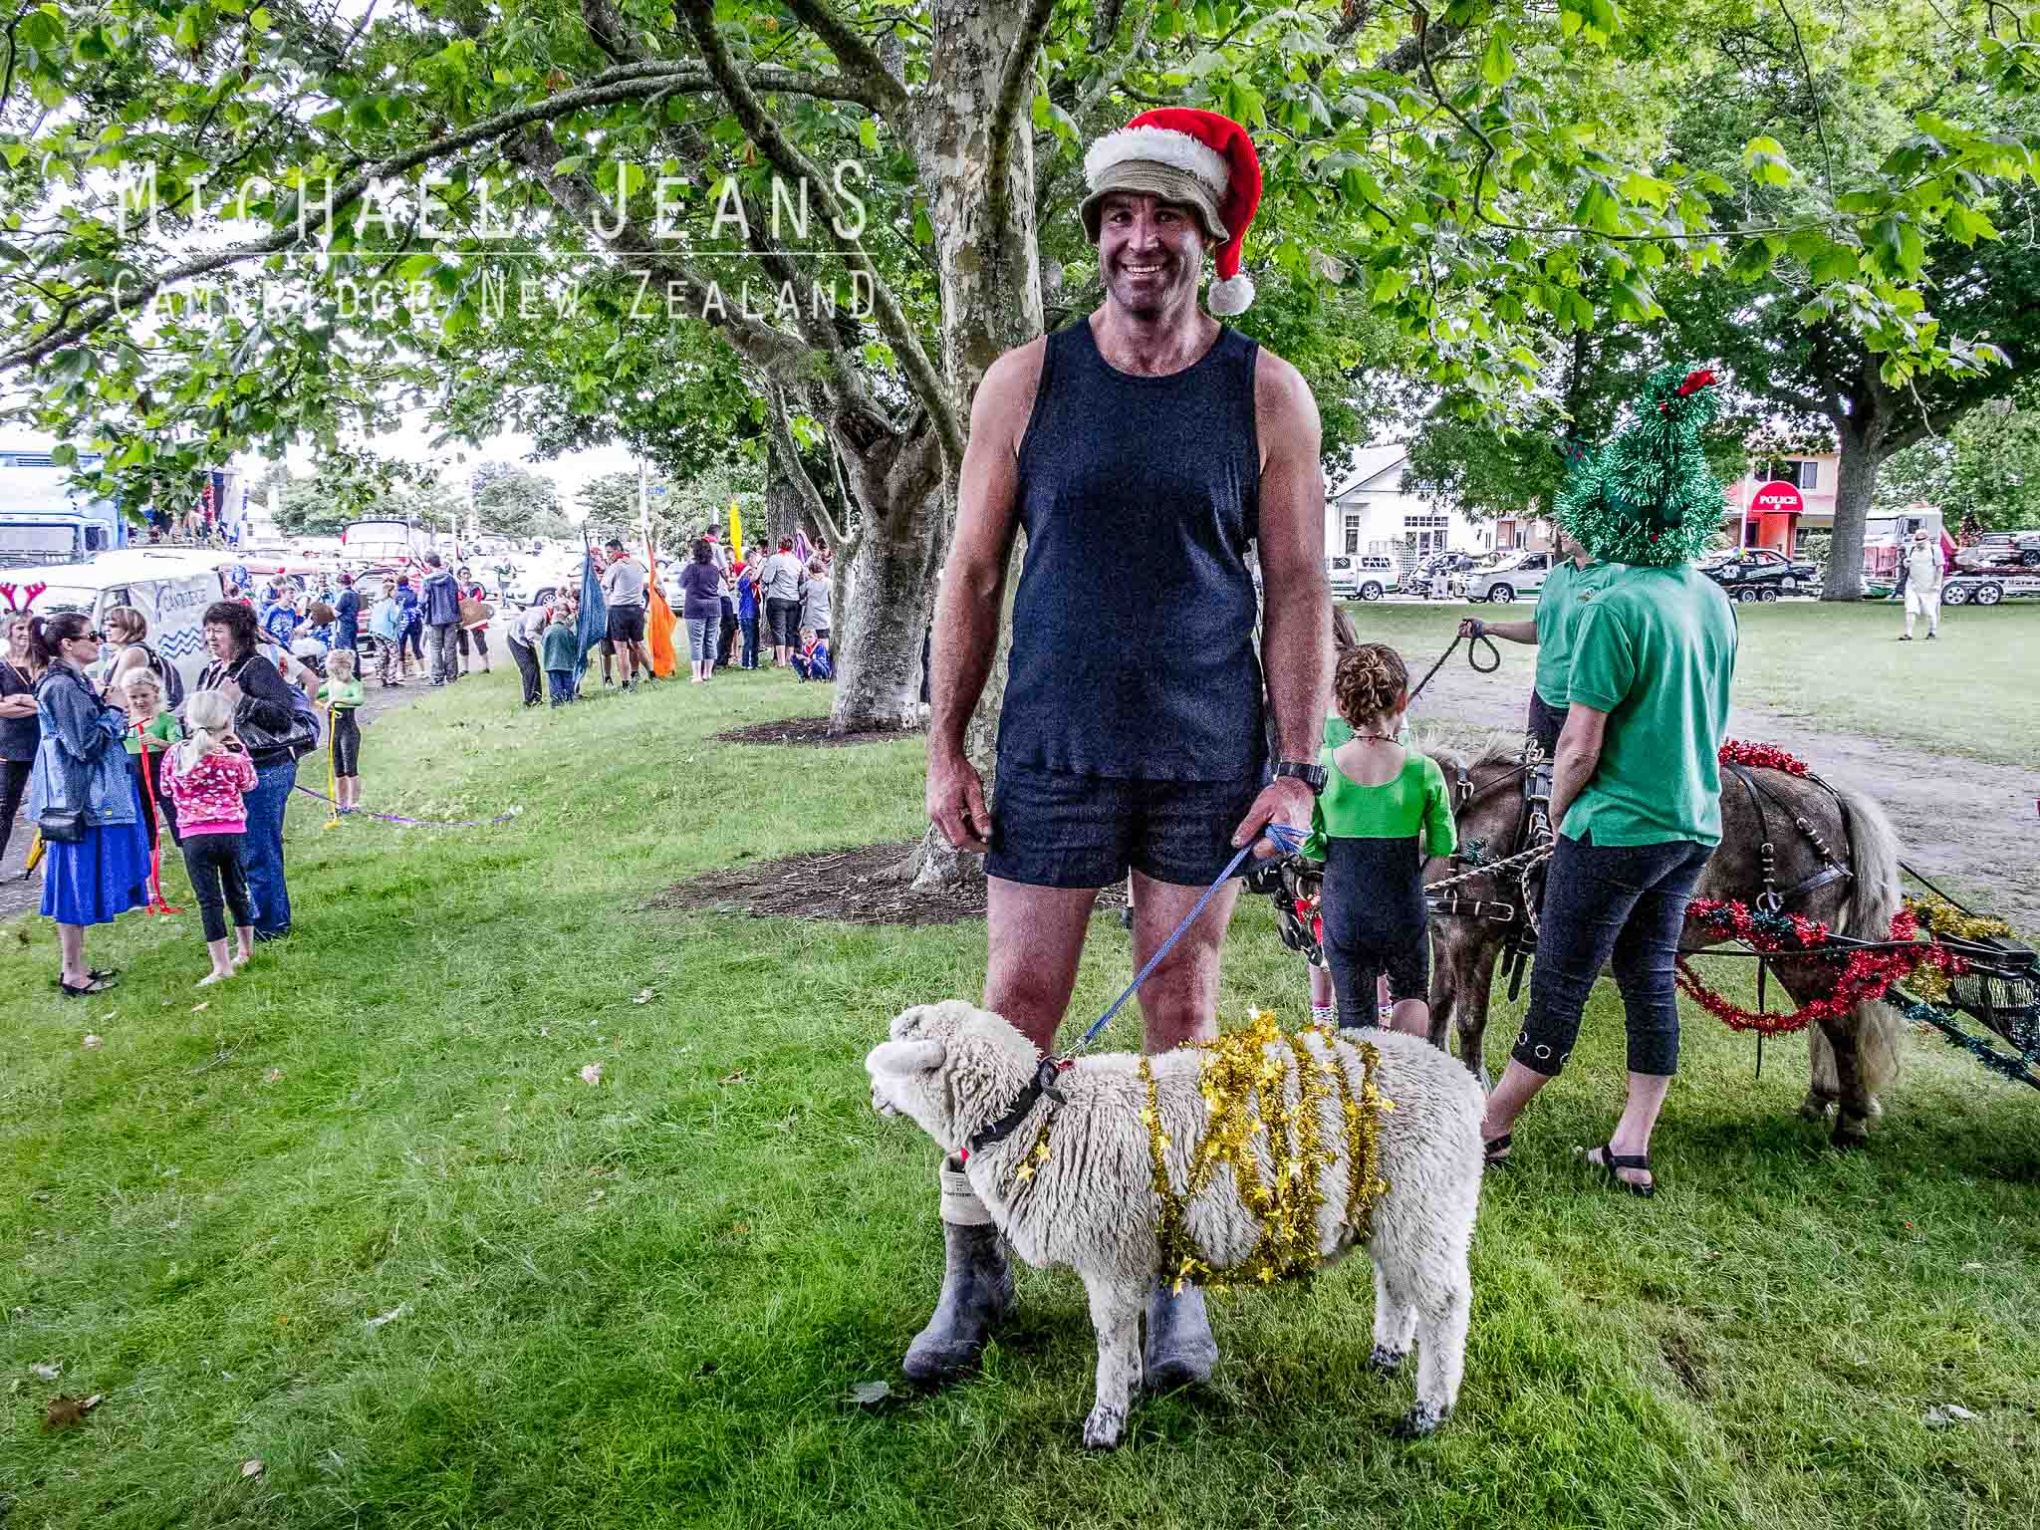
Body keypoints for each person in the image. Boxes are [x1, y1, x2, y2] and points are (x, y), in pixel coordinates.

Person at [920, 108, 1328, 1387]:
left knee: (1182, 1016)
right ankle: (974, 1269)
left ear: (1210, 240)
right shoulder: (1026, 382)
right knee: (1012, 1016)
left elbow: (1300, 588)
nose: (1140, 240)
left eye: (1166, 219)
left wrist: (1297, 767)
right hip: (1052, 749)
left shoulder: (1266, 393)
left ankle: (1173, 1279)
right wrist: (946, 748)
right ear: (1097, 235)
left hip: (1206, 757)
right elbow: (971, 574)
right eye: (1118, 218)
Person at [1478, 364, 1738, 1198]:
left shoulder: (1613, 606)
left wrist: (1558, 817)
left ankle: (1488, 1126)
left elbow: (1579, 747)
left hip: (1616, 825)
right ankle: (1631, 1144)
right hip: (1691, 823)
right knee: (1649, 976)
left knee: (1561, 980)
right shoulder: (1712, 598)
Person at [1306, 644, 1456, 1036]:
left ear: (1341, 706)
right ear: (1403, 700)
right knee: (1411, 994)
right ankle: (1407, 1069)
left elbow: (1308, 842)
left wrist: (1328, 852)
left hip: (1344, 907)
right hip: (1402, 906)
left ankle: (1365, 1075)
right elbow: (1443, 845)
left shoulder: (1324, 766)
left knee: (1355, 1011)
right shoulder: (1424, 770)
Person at [25, 612, 150, 996]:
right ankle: (72, 973)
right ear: (67, 644)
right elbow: (85, 746)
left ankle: (76, 967)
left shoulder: (72, 681)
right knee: (72, 886)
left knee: (77, 884)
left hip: (88, 800)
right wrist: (114, 709)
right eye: (91, 635)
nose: (99, 641)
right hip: (78, 804)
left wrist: (106, 706)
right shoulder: (61, 686)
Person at [195, 600, 303, 941]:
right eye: (208, 630)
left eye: (218, 630)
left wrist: (242, 699)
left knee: (258, 850)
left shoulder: (257, 668)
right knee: (242, 851)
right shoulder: (212, 670)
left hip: (266, 770)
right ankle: (257, 919)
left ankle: (271, 926)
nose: (211, 637)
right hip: (231, 772)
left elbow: (283, 716)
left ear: (238, 633)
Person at [1460, 529, 1612, 758]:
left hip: (1585, 702)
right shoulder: (1557, 574)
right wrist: (1488, 628)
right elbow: (1540, 630)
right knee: (1535, 774)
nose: (1562, 530)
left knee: (1577, 776)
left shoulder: (1614, 575)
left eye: (1569, 521)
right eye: (1560, 522)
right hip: (1544, 696)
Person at [162, 689, 258, 986]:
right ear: (227, 722)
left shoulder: (176, 754)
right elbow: (250, 784)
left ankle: (221, 966)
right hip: (231, 832)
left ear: (189, 720)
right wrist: (241, 751)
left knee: (209, 900)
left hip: (195, 836)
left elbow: (165, 789)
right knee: (237, 891)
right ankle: (246, 950)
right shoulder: (232, 757)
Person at [117, 669, 182, 857]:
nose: (139, 701)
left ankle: (187, 852)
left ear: (155, 691)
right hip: (136, 780)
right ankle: (151, 862)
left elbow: (178, 746)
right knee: (145, 826)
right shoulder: (123, 722)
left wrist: (157, 742)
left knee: (176, 818)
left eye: (144, 695)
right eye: (133, 697)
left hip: (163, 778)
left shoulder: (167, 719)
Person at [1, 612, 41, 868]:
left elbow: (55, 700)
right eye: (19, 628)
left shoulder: (43, 664)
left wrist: (20, 702)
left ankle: (50, 864)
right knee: (4, 807)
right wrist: (41, 707)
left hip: (44, 745)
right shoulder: (1, 666)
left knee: (52, 806)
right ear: (9, 631)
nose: (25, 633)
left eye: (30, 628)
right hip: (9, 746)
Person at [319, 648, 365, 812]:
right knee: (338, 769)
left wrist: (336, 700)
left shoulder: (353, 684)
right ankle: (341, 803)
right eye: (333, 673)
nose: (336, 675)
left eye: (339, 672)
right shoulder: (332, 683)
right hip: (335, 733)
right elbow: (315, 693)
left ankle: (354, 803)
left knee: (350, 768)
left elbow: (359, 699)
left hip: (349, 731)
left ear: (348, 668)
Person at [601, 538, 652, 688]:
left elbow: (604, 586)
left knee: (621, 649)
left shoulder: (616, 567)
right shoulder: (637, 564)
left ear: (617, 550)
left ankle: (625, 682)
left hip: (619, 609)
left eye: (609, 552)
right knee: (638, 644)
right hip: (636, 609)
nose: (608, 556)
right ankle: (652, 672)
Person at [677, 538, 723, 684]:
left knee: (696, 641)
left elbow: (681, 583)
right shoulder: (714, 569)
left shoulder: (691, 568)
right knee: (710, 640)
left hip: (695, 608)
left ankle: (697, 675)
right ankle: (708, 673)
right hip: (714, 607)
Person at [761, 537, 805, 667]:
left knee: (778, 630)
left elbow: (767, 578)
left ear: (779, 545)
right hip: (794, 599)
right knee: (790, 630)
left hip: (778, 598)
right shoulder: (797, 562)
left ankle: (781, 662)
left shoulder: (775, 559)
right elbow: (801, 580)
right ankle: (790, 659)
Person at [420, 554, 462, 685]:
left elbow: (422, 601)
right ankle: (452, 676)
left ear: (429, 564)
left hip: (434, 618)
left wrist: (423, 614)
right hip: (451, 617)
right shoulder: (450, 579)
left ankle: (437, 678)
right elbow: (457, 595)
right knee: (450, 648)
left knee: (435, 649)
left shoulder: (427, 581)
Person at [505, 599, 550, 707]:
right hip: (516, 639)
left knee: (535, 667)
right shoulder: (539, 616)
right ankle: (530, 700)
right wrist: (544, 640)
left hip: (525, 641)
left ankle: (537, 698)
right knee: (529, 669)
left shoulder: (544, 613)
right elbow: (529, 633)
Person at [1901, 527, 1943, 641]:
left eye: (1921, 540)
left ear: (1927, 539)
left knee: (1930, 611)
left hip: (1929, 586)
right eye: (1917, 540)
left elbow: (1940, 568)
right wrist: (1905, 563)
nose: (1919, 543)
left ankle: (1932, 632)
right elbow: (1907, 564)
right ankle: (1908, 633)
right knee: (1910, 609)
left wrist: (1937, 584)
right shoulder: (1911, 549)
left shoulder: (1935, 550)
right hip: (1913, 584)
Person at [541, 596, 581, 705]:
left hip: (551, 663)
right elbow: (573, 644)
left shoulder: (547, 630)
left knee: (555, 683)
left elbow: (543, 643)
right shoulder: (567, 631)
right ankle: (568, 698)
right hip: (566, 663)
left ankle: (556, 700)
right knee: (567, 681)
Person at [369, 578, 406, 687]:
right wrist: (400, 609)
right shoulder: (391, 603)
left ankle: (382, 676)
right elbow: (394, 619)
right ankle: (391, 678)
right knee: (394, 654)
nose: (396, 593)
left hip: (375, 630)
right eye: (395, 590)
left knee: (382, 653)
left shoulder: (378, 602)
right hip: (386, 631)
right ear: (389, 592)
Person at [455, 566, 492, 674]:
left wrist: (465, 603)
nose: (466, 576)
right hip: (461, 617)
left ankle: (486, 666)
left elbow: (477, 599)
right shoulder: (456, 589)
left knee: (480, 640)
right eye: (464, 573)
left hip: (475, 616)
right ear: (459, 576)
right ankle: (465, 669)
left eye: (467, 573)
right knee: (462, 641)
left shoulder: (476, 587)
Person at [737, 544, 764, 670]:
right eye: (754, 558)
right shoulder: (746, 573)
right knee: (749, 639)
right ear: (748, 560)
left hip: (754, 611)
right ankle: (745, 662)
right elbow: (751, 579)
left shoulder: (752, 572)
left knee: (755, 638)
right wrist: (761, 566)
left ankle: (754, 662)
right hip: (746, 612)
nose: (756, 561)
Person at [395, 574, 423, 679]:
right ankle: (422, 670)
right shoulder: (413, 593)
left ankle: (400, 672)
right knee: (416, 647)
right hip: (415, 621)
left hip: (402, 622)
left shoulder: (396, 595)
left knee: (400, 646)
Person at [799, 555, 832, 642]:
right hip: (824, 620)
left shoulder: (809, 584)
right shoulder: (829, 583)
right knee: (824, 644)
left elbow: (800, 592)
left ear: (811, 572)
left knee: (810, 644)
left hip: (810, 620)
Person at [334, 572, 361, 653]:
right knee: (353, 649)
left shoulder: (345, 594)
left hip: (345, 626)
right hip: (352, 624)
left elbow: (336, 612)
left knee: (346, 651)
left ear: (340, 583)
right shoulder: (355, 594)